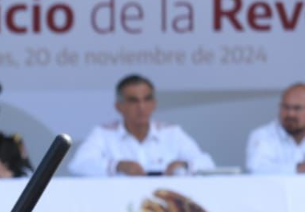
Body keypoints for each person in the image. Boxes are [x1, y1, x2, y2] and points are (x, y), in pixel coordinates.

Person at [68, 75, 216, 177]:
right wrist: (117, 166)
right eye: (133, 101)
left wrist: (184, 165)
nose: (141, 107)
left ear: (154, 104)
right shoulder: (103, 134)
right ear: (119, 106)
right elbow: (78, 165)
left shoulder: (171, 133)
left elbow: (208, 164)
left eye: (147, 99)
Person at [245, 83, 305, 175]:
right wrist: (298, 168)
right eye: (285, 107)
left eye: (297, 108)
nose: (290, 114)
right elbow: (256, 169)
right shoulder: (262, 135)